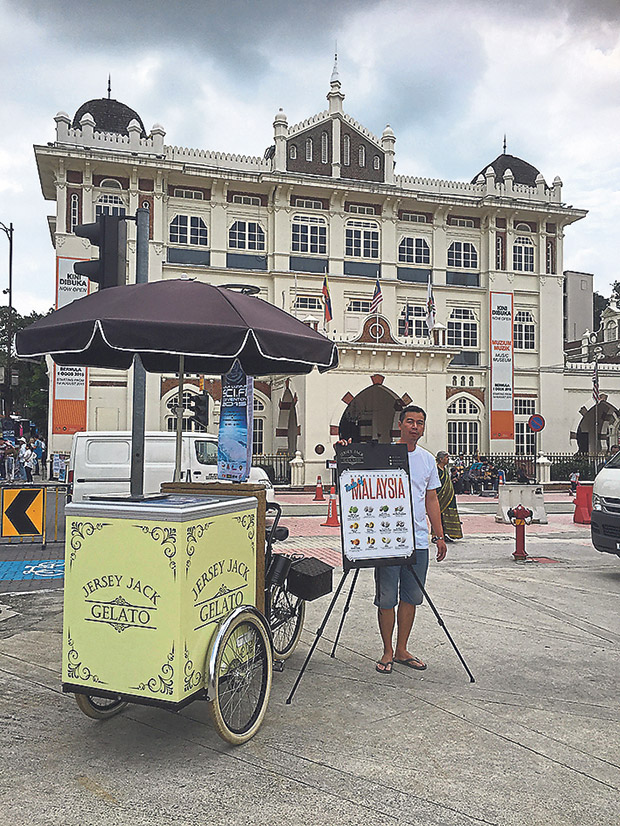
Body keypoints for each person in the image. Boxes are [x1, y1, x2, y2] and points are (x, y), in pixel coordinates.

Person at [375, 406, 447, 675]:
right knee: (386, 597)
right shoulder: (384, 456)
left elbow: (431, 500)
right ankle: (387, 650)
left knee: (411, 597)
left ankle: (402, 648)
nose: (414, 427)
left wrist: (437, 535)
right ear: (401, 424)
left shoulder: (428, 460)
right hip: (388, 539)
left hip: (417, 540)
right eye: (410, 422)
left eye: (419, 423)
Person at [435, 451, 463, 542]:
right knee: (439, 515)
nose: (448, 459)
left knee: (448, 515)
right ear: (441, 459)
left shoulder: (445, 470)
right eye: (446, 457)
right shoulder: (436, 470)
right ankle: (437, 535)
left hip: (449, 497)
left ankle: (446, 533)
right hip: (440, 497)